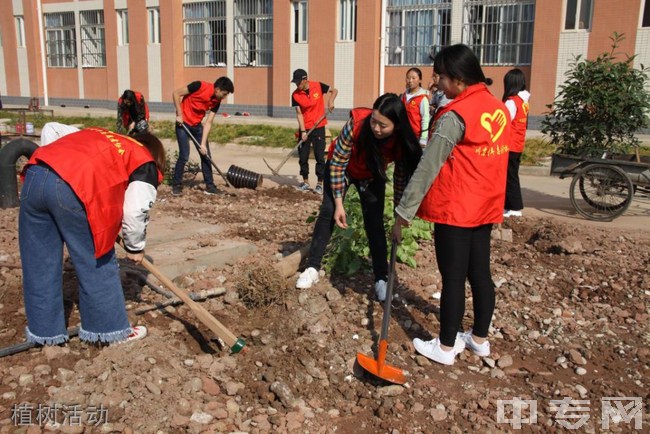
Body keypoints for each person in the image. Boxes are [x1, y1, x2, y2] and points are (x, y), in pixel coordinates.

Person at [392, 44, 510, 366]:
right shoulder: (498, 108)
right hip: (484, 207)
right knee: (480, 275)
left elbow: (429, 166)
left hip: (457, 208)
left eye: (441, 77)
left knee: (454, 278)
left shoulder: (456, 115)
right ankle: (479, 340)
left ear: (457, 79)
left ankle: (445, 347)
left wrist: (403, 212)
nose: (438, 84)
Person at [19, 127, 166, 345]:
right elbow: (136, 211)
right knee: (97, 258)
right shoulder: (143, 160)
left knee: (39, 263)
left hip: (35, 175)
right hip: (72, 188)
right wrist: (135, 247)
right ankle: (110, 331)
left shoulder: (99, 135)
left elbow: (51, 129)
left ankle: (45, 334)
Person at [296, 93, 422, 301]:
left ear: (397, 126)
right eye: (374, 121)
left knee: (374, 223)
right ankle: (312, 267)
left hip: (371, 175)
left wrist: (400, 215)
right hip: (342, 169)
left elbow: (400, 181)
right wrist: (338, 203)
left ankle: (381, 278)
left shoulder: (401, 143)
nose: (376, 128)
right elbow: (337, 163)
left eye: (383, 125)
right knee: (328, 212)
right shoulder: (357, 123)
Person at [172, 76, 234, 196]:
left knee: (206, 155)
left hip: (196, 126)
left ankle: (210, 186)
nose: (224, 97)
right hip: (183, 124)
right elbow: (176, 93)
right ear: (218, 89)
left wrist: (203, 144)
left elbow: (209, 122)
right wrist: (179, 114)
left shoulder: (217, 101)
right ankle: (176, 185)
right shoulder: (199, 86)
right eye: (224, 94)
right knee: (184, 155)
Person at [291, 69, 338, 194]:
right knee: (303, 156)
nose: (297, 85)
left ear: (305, 79)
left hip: (319, 126)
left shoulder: (317, 86)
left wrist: (331, 101)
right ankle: (305, 182)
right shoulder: (295, 95)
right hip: (305, 128)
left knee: (319, 156)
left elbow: (334, 90)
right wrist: (303, 131)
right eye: (295, 83)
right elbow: (299, 114)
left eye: (298, 82)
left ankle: (319, 184)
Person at [502, 68, 530, 218]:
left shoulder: (511, 102)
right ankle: (509, 206)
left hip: (510, 145)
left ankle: (514, 207)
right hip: (517, 144)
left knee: (510, 176)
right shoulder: (523, 102)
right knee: (511, 175)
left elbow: (504, 123)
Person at [400, 67, 430, 148]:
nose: (410, 80)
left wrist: (423, 138)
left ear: (420, 80)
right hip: (403, 134)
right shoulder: (403, 96)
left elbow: (425, 118)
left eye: (413, 78)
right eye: (408, 78)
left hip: (416, 136)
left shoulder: (422, 98)